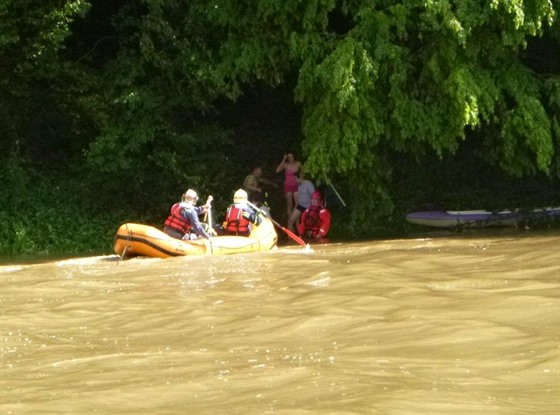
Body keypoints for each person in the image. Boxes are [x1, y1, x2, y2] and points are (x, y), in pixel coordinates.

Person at [275, 152, 302, 217]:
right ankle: (290, 221)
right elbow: (277, 170)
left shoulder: (298, 163)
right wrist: (284, 159)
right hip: (288, 185)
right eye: (289, 157)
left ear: (294, 156)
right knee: (289, 204)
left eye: (291, 156)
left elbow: (302, 172)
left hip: (296, 185)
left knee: (297, 204)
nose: (290, 158)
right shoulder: (285, 164)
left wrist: (300, 179)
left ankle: (296, 220)